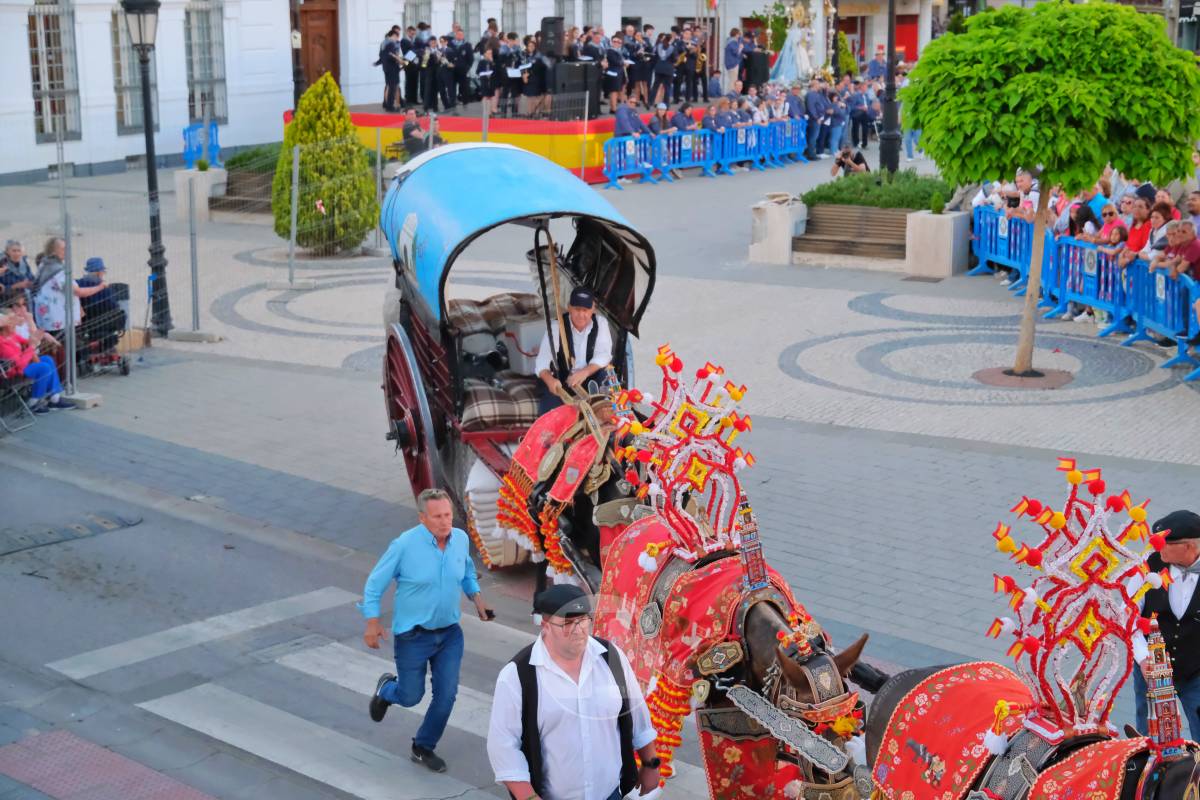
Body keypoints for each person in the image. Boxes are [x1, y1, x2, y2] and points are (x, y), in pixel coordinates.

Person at [486, 584, 660, 800]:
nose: (578, 631)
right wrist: (529, 797)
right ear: (545, 625)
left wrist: (651, 764)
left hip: (611, 794)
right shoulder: (517, 676)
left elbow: (637, 717)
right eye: (568, 623)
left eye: (583, 621)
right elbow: (503, 747)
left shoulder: (611, 658)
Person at [363, 488, 493, 773]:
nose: (445, 521)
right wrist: (372, 622)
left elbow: (468, 572)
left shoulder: (459, 539)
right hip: (413, 636)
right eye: (437, 517)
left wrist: (477, 598)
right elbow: (375, 584)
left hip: (449, 635)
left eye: (448, 515)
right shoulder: (404, 546)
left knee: (446, 695)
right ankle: (387, 690)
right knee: (411, 697)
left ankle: (423, 746)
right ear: (423, 518)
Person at [1132, 510, 1200, 741]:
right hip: (1151, 670)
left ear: (1190, 547)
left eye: (1165, 542)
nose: (1157, 546)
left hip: (1196, 673)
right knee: (1152, 740)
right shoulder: (1147, 567)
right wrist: (1143, 658)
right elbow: (1127, 617)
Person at [533, 285, 612, 415]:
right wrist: (550, 381)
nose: (581, 315)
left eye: (586, 310)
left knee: (607, 381)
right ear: (569, 308)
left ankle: (610, 432)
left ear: (593, 309)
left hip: (588, 379)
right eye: (577, 309)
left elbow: (604, 355)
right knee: (551, 414)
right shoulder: (557, 326)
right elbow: (543, 361)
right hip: (562, 382)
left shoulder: (601, 323)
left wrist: (584, 372)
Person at [0, 311, 71, 413]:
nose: (14, 324)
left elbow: (27, 342)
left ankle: (54, 397)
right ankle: (34, 402)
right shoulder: (2, 343)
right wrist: (32, 346)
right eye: (10, 322)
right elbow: (20, 365)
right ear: (3, 328)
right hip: (12, 374)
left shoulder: (12, 336)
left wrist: (36, 338)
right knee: (43, 367)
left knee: (47, 359)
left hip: (22, 365)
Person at [1, 240, 36, 307]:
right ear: (7, 252)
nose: (17, 253)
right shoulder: (2, 266)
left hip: (27, 300)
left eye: (19, 251)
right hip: (9, 304)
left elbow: (32, 278)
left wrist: (30, 283)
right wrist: (15, 286)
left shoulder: (24, 263)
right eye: (14, 251)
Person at [722, 28, 743, 93]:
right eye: (739, 34)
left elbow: (739, 40)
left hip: (730, 63)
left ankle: (731, 95)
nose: (739, 36)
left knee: (732, 80)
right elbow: (736, 53)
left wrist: (740, 36)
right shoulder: (732, 42)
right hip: (733, 63)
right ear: (736, 34)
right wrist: (740, 48)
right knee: (733, 81)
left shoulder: (730, 40)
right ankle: (730, 96)